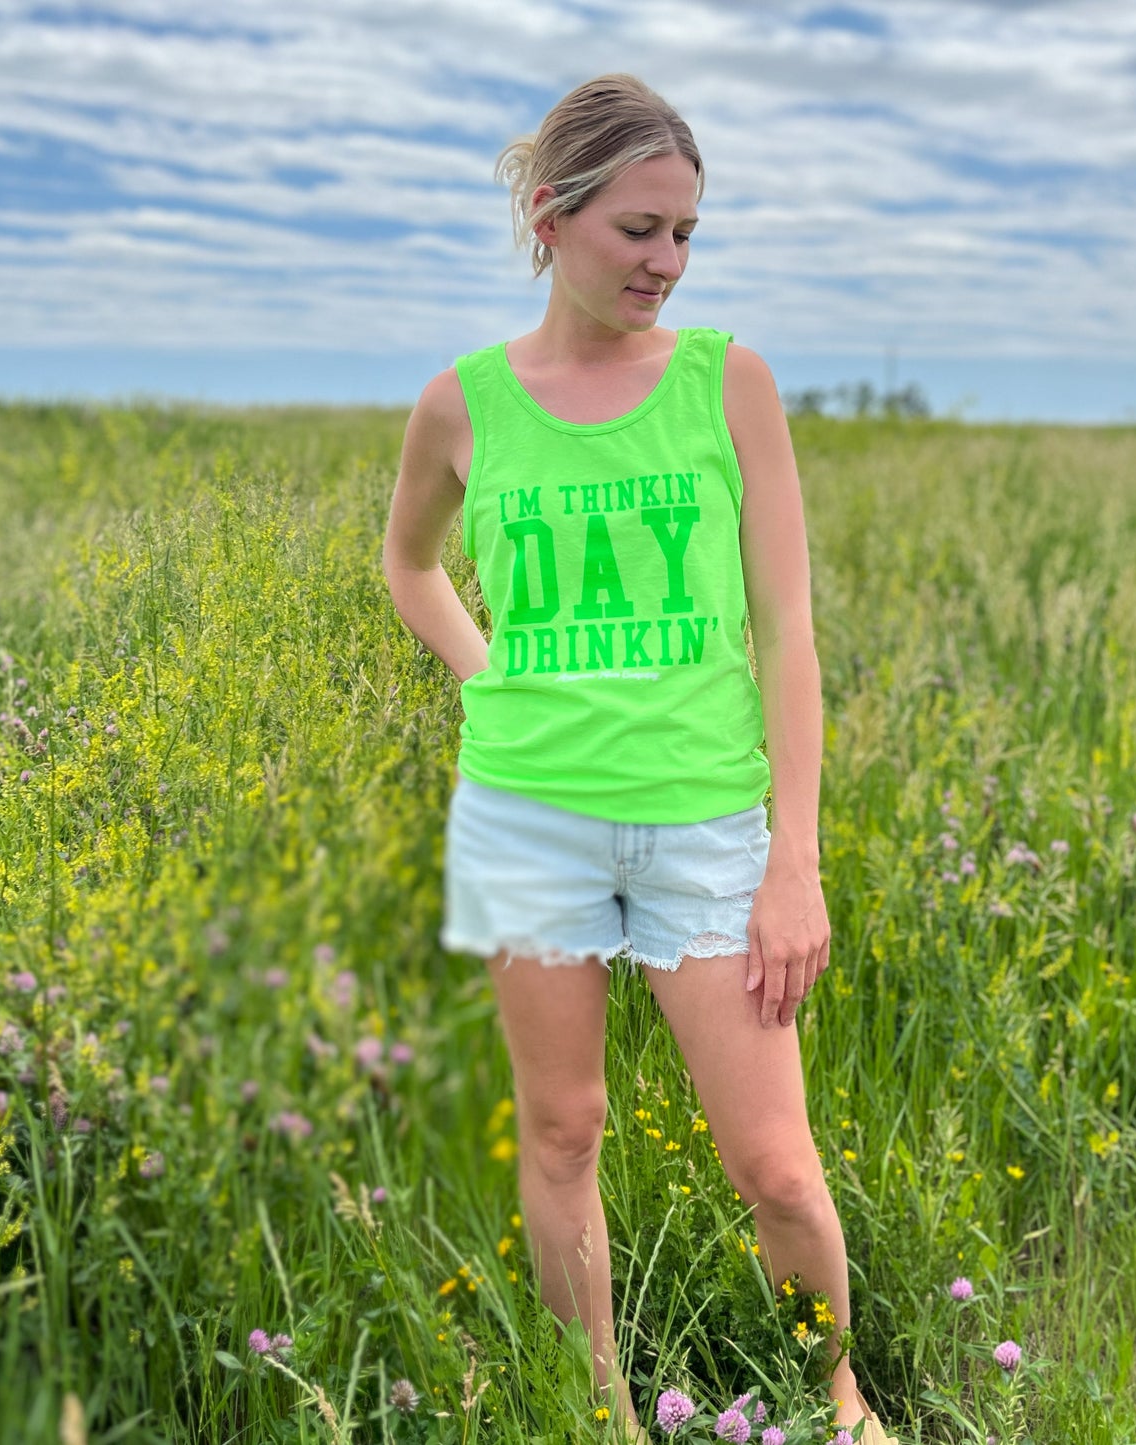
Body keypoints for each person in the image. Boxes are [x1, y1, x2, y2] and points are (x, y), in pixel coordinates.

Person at [381, 73, 897, 1445]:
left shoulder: (729, 381)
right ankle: (598, 1409)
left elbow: (785, 631)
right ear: (551, 219)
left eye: (685, 235)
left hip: (706, 820)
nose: (665, 263)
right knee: (559, 1133)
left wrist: (795, 860)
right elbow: (409, 563)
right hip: (527, 815)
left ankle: (832, 1387)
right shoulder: (463, 404)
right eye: (639, 232)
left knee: (774, 1164)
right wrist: (493, 681)